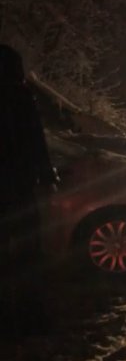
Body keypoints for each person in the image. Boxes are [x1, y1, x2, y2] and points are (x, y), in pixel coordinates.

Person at [0, 44, 56, 266]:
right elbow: (34, 138)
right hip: (18, 178)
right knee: (26, 228)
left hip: (16, 176)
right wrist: (46, 173)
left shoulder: (19, 97)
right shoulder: (19, 98)